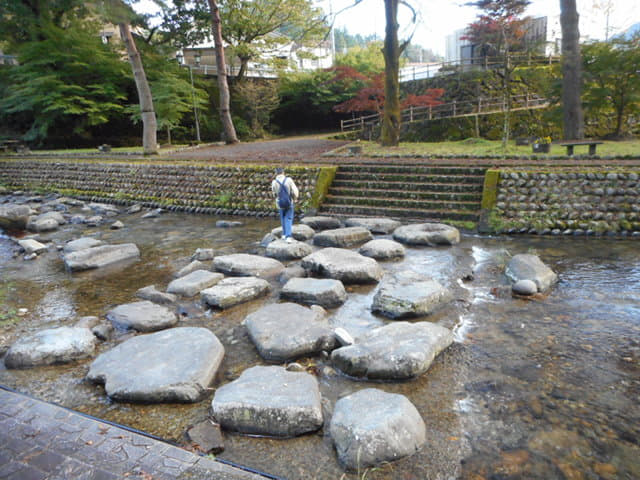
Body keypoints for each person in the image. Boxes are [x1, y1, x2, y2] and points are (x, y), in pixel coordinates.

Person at [271, 167, 299, 243]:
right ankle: (288, 236)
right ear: (283, 172)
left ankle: (283, 234)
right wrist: (295, 198)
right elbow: (295, 191)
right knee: (288, 218)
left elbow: (274, 193)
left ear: (276, 173)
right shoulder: (288, 180)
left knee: (282, 218)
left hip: (280, 203)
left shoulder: (274, 182)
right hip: (289, 202)